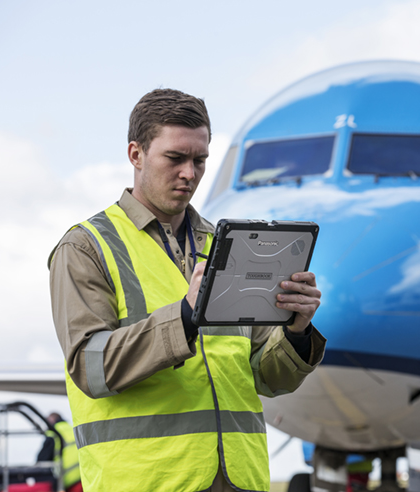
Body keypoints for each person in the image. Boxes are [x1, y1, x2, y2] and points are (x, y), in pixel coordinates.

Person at [48, 88, 326, 492]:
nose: (190, 173)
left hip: (240, 480)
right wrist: (183, 317)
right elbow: (91, 368)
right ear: (135, 154)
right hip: (146, 482)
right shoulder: (85, 247)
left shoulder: (228, 245)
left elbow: (269, 380)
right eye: (175, 158)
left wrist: (296, 331)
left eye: (200, 160)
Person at [37, 413, 82, 492]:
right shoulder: (73, 428)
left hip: (68, 481)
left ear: (52, 420)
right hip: (83, 477)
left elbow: (42, 461)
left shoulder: (53, 433)